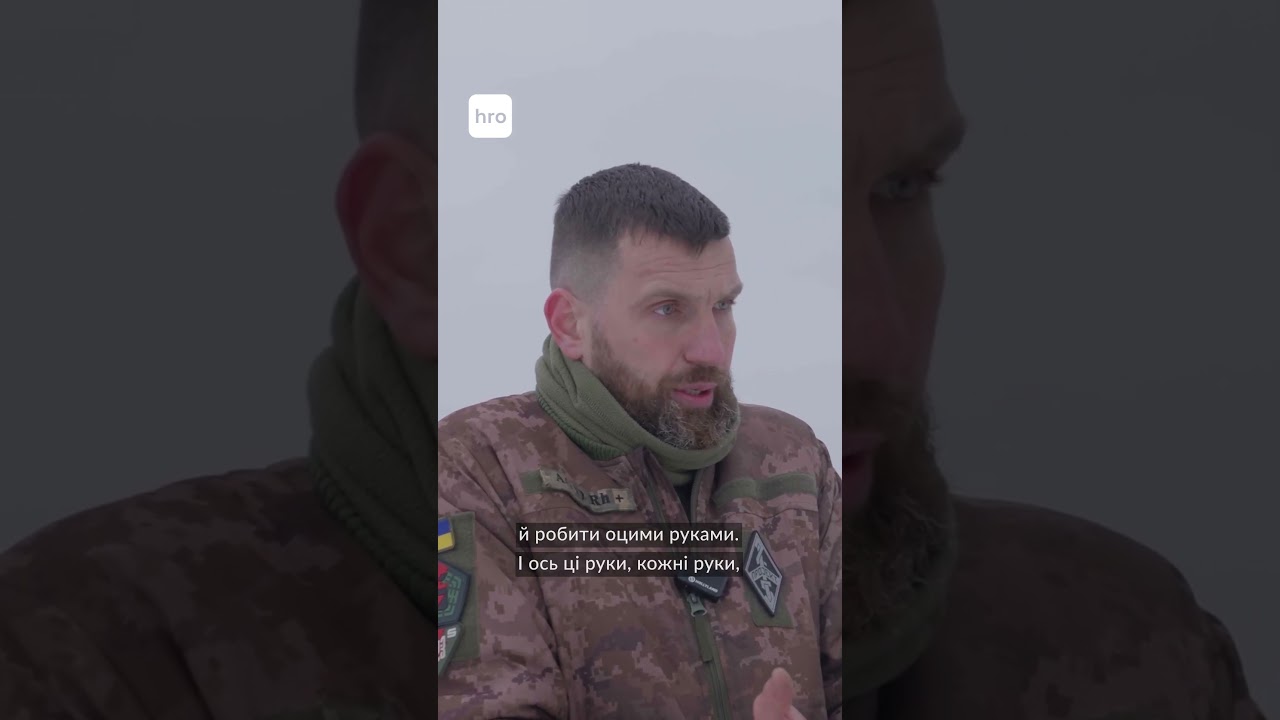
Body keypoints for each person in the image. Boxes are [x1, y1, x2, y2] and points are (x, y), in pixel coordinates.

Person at [0, 0, 1264, 719]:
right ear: (417, 253)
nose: (876, 335)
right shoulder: (107, 675)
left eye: (898, 187)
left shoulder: (1118, 660)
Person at [436, 161, 845, 720]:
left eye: (723, 306)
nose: (711, 349)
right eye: (667, 309)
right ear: (570, 325)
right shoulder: (479, 466)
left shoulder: (792, 463)